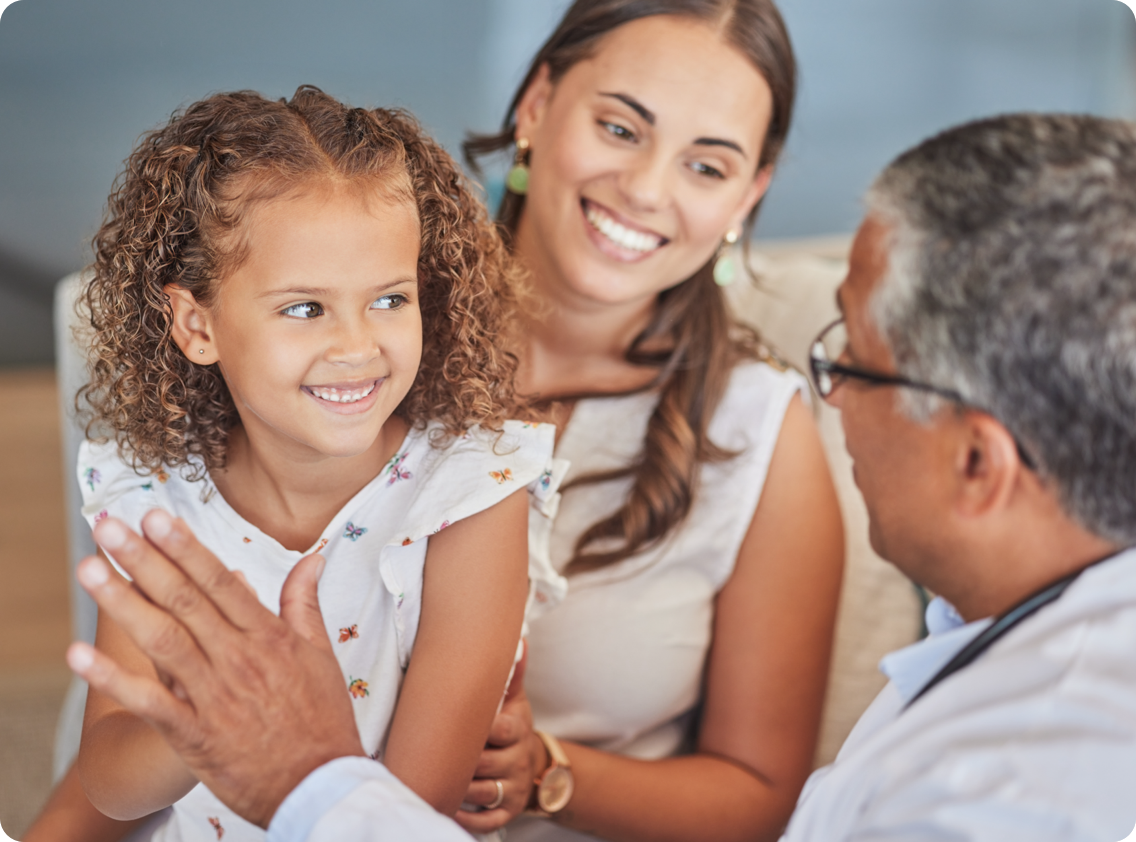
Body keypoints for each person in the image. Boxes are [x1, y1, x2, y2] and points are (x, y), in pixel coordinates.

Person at [73, 111, 1136, 842]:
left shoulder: (1019, 793)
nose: (829, 394)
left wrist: (298, 767)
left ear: (977, 461)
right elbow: (99, 783)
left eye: (846, 359)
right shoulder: (1005, 634)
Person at [44, 86, 563, 842]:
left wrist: (279, 733)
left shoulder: (471, 493)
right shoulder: (158, 496)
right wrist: (204, 728)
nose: (357, 347)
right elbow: (112, 786)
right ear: (197, 325)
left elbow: (413, 811)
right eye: (304, 308)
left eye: (389, 299)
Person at [457, 2, 844, 839]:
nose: (645, 190)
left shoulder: (762, 436)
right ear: (536, 104)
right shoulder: (370, 332)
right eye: (622, 129)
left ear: (751, 193)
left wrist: (547, 771)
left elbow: (760, 797)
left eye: (707, 167)